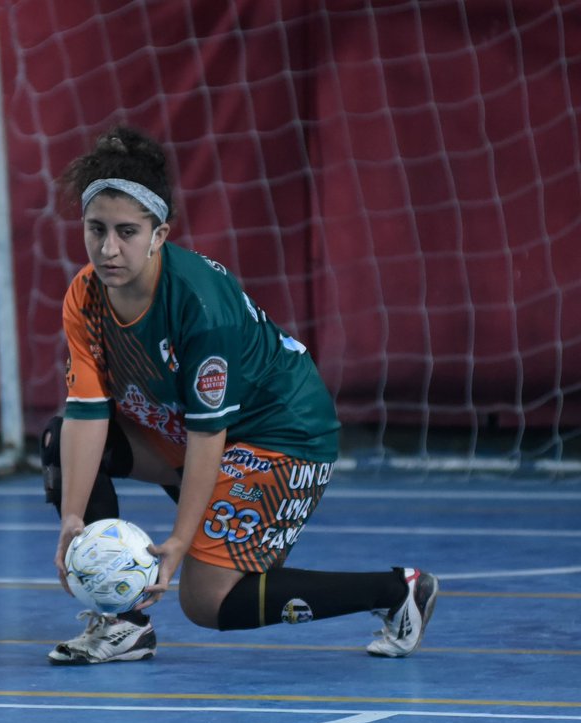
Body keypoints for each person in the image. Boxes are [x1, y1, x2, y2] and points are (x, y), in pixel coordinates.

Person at [43, 126, 437, 665]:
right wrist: (72, 519)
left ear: (160, 234)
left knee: (205, 602)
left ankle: (397, 591)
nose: (108, 248)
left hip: (282, 434)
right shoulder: (85, 296)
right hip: (194, 431)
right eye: (96, 229)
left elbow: (212, 435)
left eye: (127, 231)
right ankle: (122, 626)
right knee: (58, 442)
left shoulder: (200, 308)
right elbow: (87, 414)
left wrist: (180, 541)